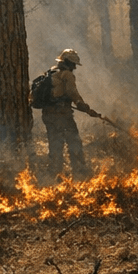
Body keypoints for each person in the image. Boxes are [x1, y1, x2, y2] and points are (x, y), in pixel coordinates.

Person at [40, 48, 98, 178]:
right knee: (74, 141)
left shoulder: (52, 73)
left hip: (48, 114)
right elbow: (72, 93)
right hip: (62, 115)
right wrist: (84, 106)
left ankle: (55, 174)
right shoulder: (67, 75)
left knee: (55, 145)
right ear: (67, 62)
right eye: (73, 64)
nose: (74, 68)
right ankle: (80, 172)